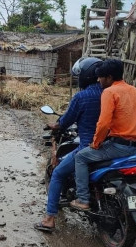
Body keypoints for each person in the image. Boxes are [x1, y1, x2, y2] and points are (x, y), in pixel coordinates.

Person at [71, 59, 136, 211]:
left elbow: (104, 123)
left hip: (117, 146)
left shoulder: (109, 92)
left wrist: (96, 143)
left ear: (109, 77)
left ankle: (83, 199)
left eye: (101, 77)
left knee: (80, 157)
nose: (98, 80)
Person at [34, 57, 103, 233]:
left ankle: (49, 219)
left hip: (89, 146)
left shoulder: (82, 96)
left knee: (57, 173)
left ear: (85, 76)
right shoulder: (111, 93)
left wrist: (54, 125)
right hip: (113, 146)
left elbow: (64, 121)